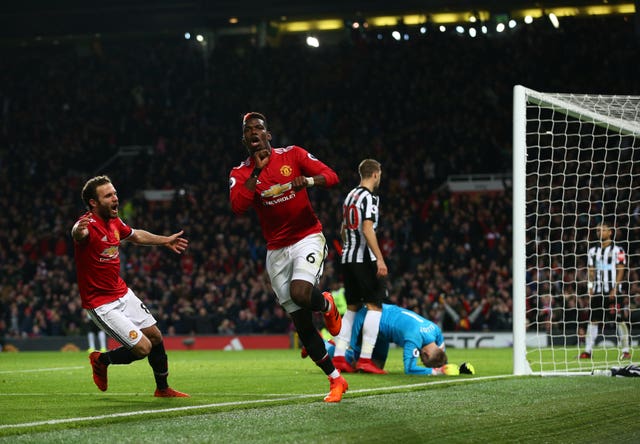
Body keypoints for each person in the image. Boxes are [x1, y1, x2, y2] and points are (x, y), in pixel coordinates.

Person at [229, 112, 347, 402]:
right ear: (244, 139)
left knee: (301, 292)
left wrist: (306, 181)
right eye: (248, 130)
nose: (254, 132)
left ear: (268, 135)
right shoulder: (240, 173)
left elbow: (332, 177)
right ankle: (336, 381)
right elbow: (238, 207)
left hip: (307, 237)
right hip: (276, 250)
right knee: (302, 323)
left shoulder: (293, 155)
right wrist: (256, 173)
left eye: (259, 128)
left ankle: (326, 303)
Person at [71, 175, 190, 397]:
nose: (115, 198)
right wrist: (78, 230)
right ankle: (101, 360)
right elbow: (79, 233)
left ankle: (162, 389)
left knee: (155, 337)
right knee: (143, 348)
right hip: (101, 304)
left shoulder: (114, 222)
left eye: (115, 193)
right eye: (108, 195)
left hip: (122, 293)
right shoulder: (88, 226)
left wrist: (165, 240)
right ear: (93, 203)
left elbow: (136, 236)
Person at [333, 159, 388, 374]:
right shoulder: (370, 197)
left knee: (352, 308)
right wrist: (379, 259)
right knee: (375, 306)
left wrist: (350, 249)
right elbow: (367, 228)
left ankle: (339, 357)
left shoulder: (350, 196)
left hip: (347, 258)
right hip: (364, 259)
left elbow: (343, 230)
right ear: (375, 174)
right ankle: (365, 359)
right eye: (380, 173)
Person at [329, 303, 473, 376]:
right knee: (355, 365)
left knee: (375, 368)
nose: (421, 361)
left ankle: (335, 347)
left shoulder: (435, 330)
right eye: (423, 360)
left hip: (383, 332)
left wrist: (450, 367)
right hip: (368, 319)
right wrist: (436, 372)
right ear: (426, 354)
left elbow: (441, 352)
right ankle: (326, 347)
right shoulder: (414, 339)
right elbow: (409, 369)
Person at [580, 222, 631, 360]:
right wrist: (590, 287)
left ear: (610, 232)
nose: (599, 232)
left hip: (613, 291)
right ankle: (587, 351)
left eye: (603, 230)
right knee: (593, 320)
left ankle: (626, 350)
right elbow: (591, 272)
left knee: (619, 320)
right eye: (597, 230)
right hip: (597, 291)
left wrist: (616, 287)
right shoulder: (592, 251)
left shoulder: (618, 250)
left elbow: (621, 269)